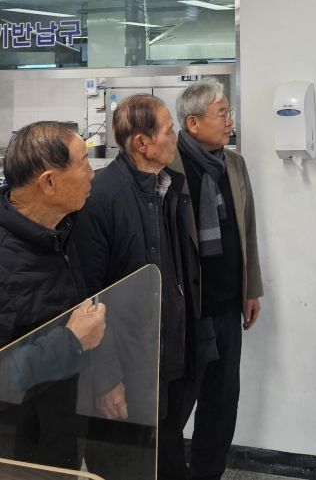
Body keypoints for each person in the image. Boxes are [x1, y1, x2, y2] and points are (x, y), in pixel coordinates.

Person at [73, 95, 215, 480]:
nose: (176, 137)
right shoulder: (103, 198)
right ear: (141, 143)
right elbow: (89, 297)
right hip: (130, 369)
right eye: (169, 130)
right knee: (127, 465)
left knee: (166, 456)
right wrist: (107, 378)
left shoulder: (167, 188)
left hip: (170, 360)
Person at [0, 121, 106, 469]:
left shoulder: (59, 231)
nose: (92, 174)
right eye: (83, 163)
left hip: (59, 431)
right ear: (48, 182)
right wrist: (71, 342)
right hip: (18, 456)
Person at [173, 79, 263, 480]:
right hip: (186, 311)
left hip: (227, 305)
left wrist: (251, 288)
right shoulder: (169, 165)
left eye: (229, 113)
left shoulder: (234, 164)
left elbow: (248, 229)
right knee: (177, 405)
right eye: (222, 114)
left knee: (222, 403)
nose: (230, 121)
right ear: (193, 123)